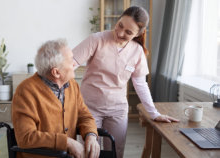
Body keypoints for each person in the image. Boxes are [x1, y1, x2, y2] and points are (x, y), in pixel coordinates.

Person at [72, 6, 179, 158]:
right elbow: (70, 64)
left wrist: (154, 113)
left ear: (138, 34)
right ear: (118, 19)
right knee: (89, 152)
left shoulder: (137, 51)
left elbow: (140, 84)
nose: (120, 33)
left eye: (128, 32)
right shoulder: (96, 40)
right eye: (120, 25)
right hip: (89, 108)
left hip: (117, 110)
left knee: (115, 152)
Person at [12, 39, 100, 158]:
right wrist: (67, 142)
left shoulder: (72, 85)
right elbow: (26, 137)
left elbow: (84, 116)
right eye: (70, 61)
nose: (75, 63)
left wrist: (91, 135)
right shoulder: (25, 91)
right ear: (56, 72)